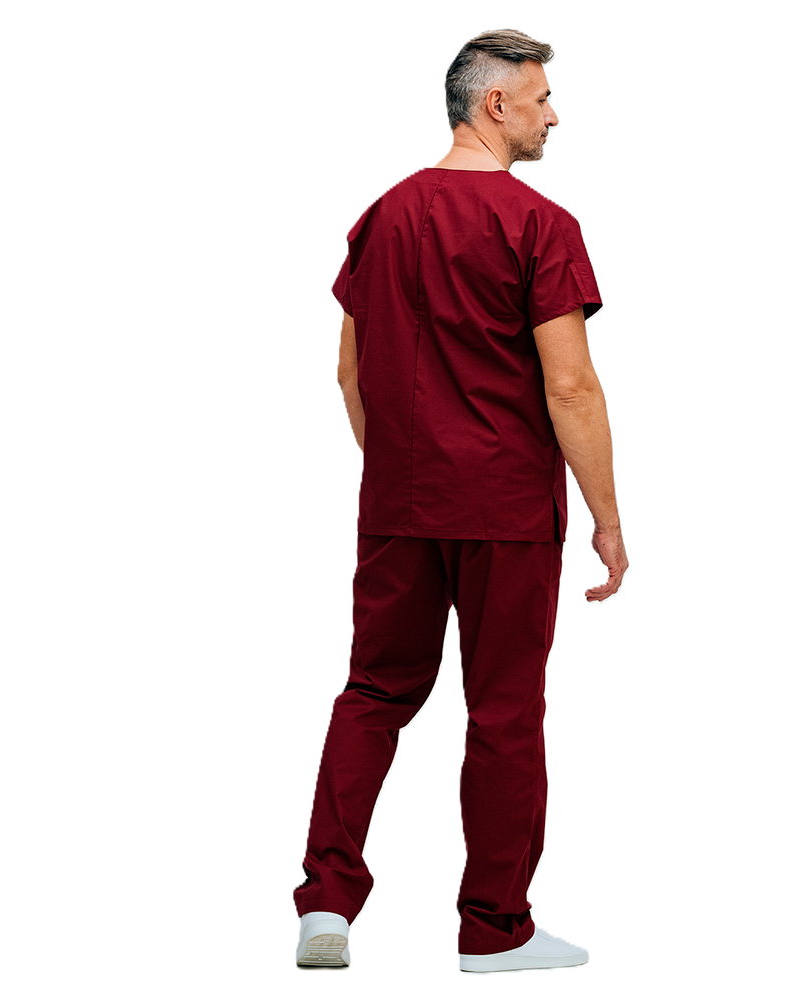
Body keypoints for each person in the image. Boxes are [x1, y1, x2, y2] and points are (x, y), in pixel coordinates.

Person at [294, 28, 628, 975]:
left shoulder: (381, 213)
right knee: (505, 711)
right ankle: (493, 931)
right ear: (495, 103)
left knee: (372, 692)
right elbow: (571, 388)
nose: (554, 115)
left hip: (397, 501)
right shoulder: (540, 223)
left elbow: (349, 372)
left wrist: (403, 466)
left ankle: (324, 908)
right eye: (543, 98)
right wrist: (608, 520)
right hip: (507, 506)